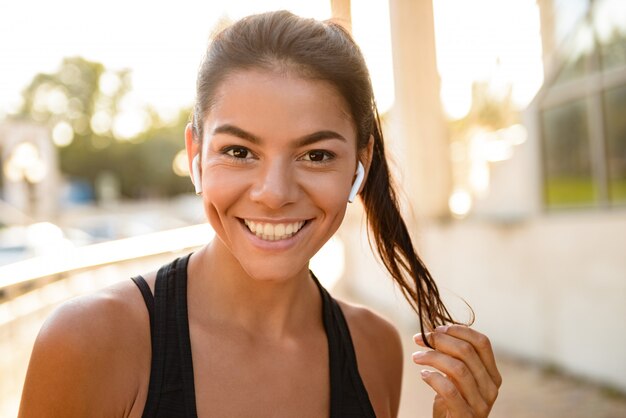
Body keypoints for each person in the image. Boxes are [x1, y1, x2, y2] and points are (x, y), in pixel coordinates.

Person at [19, 10, 501, 418]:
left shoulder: (375, 348)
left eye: (315, 155)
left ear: (362, 163)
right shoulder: (91, 342)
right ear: (195, 156)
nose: (274, 194)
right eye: (239, 151)